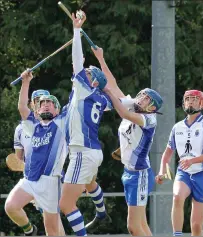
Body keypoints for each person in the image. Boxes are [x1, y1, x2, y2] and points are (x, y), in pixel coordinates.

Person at [91, 46, 163, 236]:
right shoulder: (134, 106)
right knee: (143, 226)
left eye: (146, 99)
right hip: (129, 172)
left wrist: (106, 90)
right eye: (141, 95)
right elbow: (113, 84)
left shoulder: (149, 119)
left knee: (133, 227)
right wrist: (101, 58)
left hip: (139, 174)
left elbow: (121, 111)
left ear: (153, 107)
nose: (141, 99)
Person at [59, 12, 112, 236]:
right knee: (90, 183)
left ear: (92, 81)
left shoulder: (84, 89)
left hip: (82, 152)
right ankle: (101, 212)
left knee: (65, 204)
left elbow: (76, 61)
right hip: (92, 151)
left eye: (87, 72)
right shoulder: (99, 98)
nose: (82, 72)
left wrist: (77, 31)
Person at [5, 71, 70, 236]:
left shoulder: (62, 123)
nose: (46, 104)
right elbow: (21, 107)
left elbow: (75, 102)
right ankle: (30, 231)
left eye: (50, 102)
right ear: (36, 109)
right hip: (30, 180)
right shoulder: (30, 126)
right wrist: (25, 81)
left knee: (53, 230)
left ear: (57, 109)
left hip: (50, 183)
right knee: (10, 206)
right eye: (42, 103)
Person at [155, 90, 203, 236]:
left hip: (202, 174)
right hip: (183, 173)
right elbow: (168, 152)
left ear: (201, 103)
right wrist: (161, 171)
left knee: (196, 227)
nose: (190, 102)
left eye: (194, 99)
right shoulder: (177, 127)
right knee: (177, 197)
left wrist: (192, 161)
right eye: (188, 99)